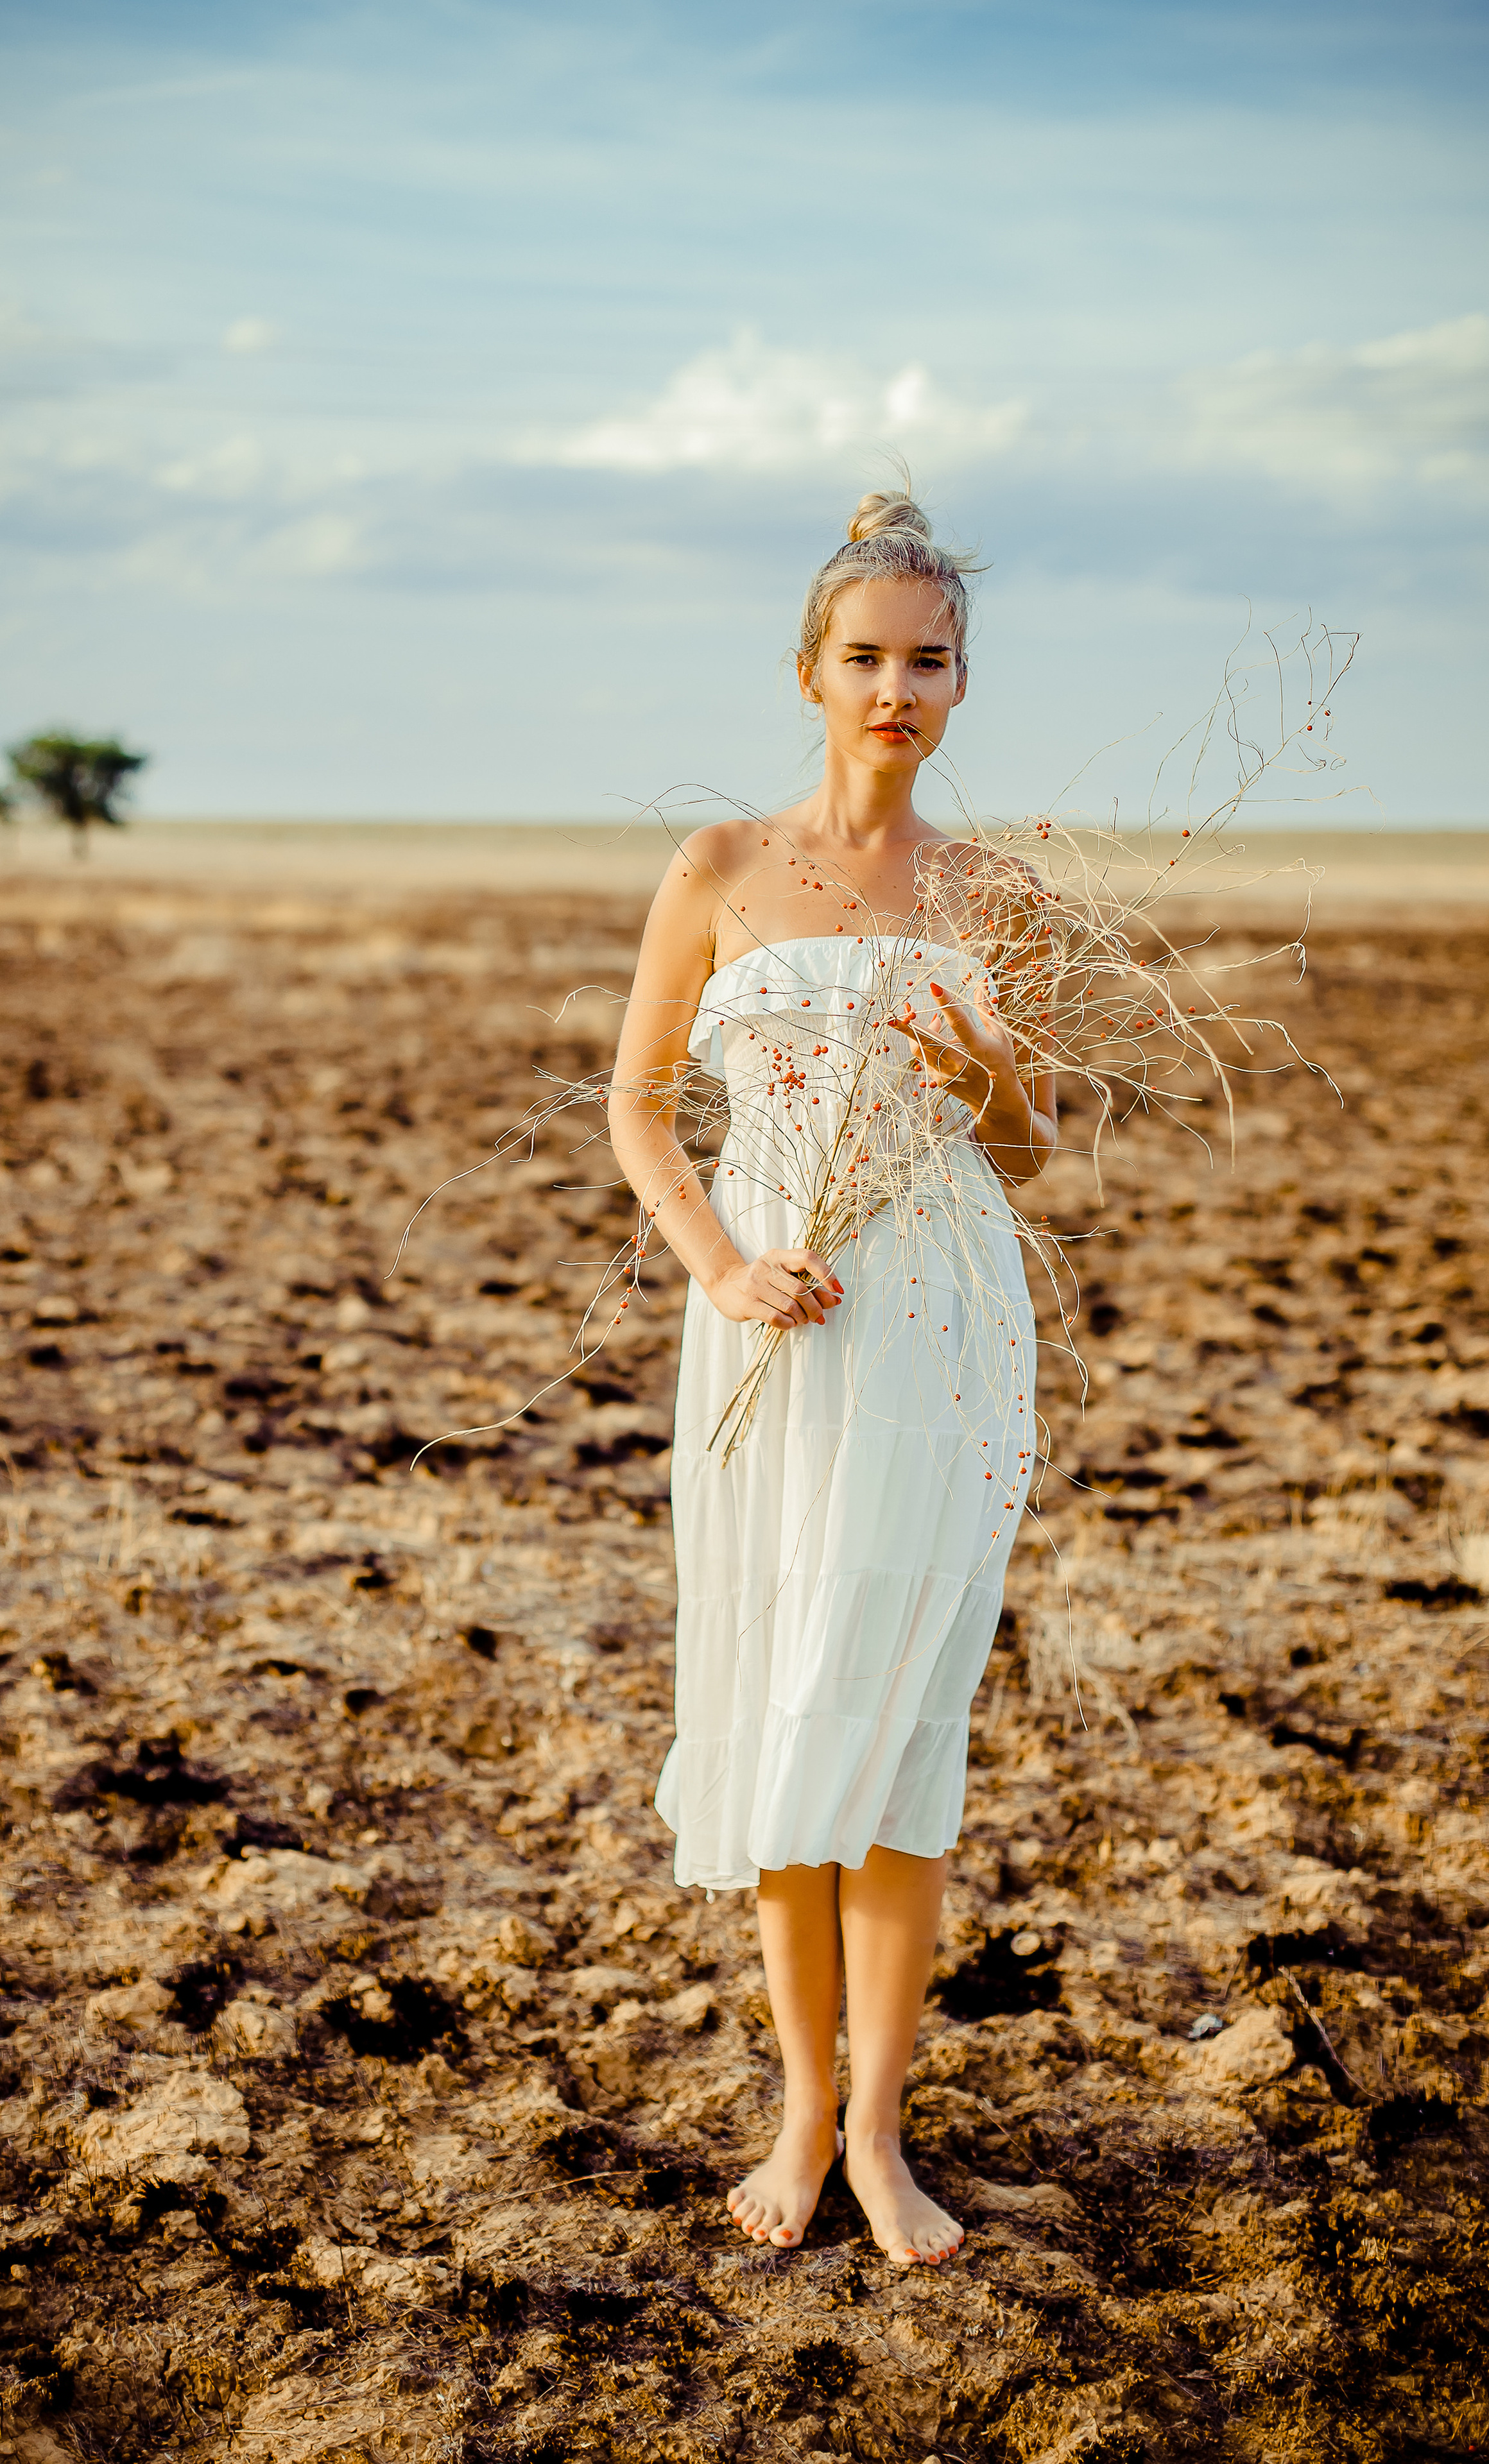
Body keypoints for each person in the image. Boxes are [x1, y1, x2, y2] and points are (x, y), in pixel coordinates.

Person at [607, 490, 1058, 2266]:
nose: (897, 687)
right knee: (790, 1705)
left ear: (961, 686)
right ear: (809, 673)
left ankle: (879, 2136)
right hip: (769, 1323)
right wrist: (718, 1261)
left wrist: (994, 1085)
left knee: (897, 1727)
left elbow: (1025, 1151)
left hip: (941, 1325)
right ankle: (799, 2110)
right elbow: (641, 1105)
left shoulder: (990, 890)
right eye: (865, 657)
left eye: (928, 661)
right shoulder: (717, 867)